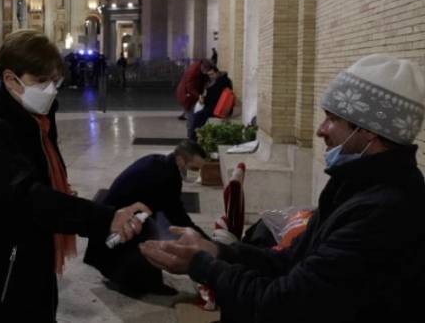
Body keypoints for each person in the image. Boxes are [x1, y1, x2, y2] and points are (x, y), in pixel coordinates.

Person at [140, 54, 425, 323]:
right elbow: (289, 260)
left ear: (369, 130)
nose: (320, 130)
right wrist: (216, 251)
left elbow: (283, 304)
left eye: (333, 118)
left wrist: (201, 265)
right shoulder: (351, 184)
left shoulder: (385, 211)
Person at [0, 30, 150, 323]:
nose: (51, 89)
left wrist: (59, 193)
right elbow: (27, 197)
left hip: (27, 264)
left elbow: (40, 181)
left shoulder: (37, 120)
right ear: (11, 80)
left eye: (55, 80)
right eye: (41, 81)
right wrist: (105, 219)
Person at [84, 140, 209, 296]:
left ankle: (136, 279)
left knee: (145, 233)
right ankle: (137, 284)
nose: (196, 173)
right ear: (180, 160)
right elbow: (178, 217)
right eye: (194, 168)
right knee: (145, 241)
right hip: (120, 216)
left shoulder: (160, 161)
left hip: (120, 210)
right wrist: (205, 241)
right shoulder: (167, 177)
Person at [189, 61, 232, 141]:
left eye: (212, 74)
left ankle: (193, 139)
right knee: (197, 116)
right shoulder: (220, 79)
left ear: (216, 72)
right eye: (209, 75)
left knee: (197, 116)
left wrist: (204, 100)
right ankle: (194, 137)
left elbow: (215, 97)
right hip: (215, 106)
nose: (211, 76)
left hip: (217, 108)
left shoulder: (221, 81)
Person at [175, 59, 211, 124]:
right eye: (207, 71)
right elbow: (190, 88)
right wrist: (199, 96)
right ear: (203, 67)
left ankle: (191, 128)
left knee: (191, 113)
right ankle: (191, 133)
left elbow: (203, 79)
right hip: (186, 95)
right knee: (191, 118)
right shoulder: (193, 71)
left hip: (190, 94)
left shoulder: (200, 67)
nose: (208, 72)